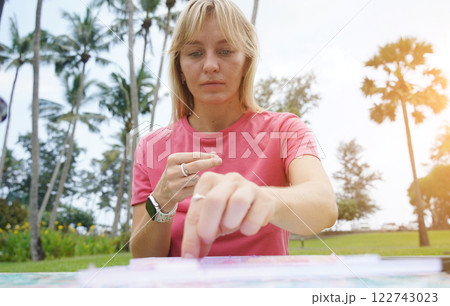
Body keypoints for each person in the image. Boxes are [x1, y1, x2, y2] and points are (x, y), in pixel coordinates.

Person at [130, 0, 337, 259]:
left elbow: (324, 206)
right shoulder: (150, 147)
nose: (210, 65)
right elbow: (142, 257)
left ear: (246, 63)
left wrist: (263, 199)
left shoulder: (285, 129)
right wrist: (161, 201)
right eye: (195, 53)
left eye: (225, 51)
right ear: (180, 69)